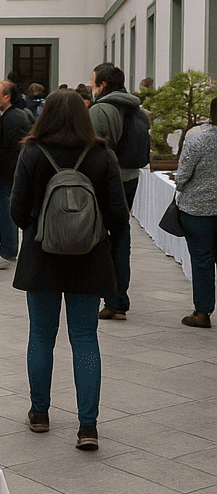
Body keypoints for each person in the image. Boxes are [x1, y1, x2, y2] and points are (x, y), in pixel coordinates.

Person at [10, 89, 129, 451]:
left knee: (42, 336)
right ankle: (87, 426)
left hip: (41, 258)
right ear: (83, 115)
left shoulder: (32, 152)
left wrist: (40, 223)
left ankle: (40, 413)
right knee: (85, 339)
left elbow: (17, 211)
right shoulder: (101, 155)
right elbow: (119, 215)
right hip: (89, 258)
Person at [89, 62, 148, 320]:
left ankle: (110, 297)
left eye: (93, 83)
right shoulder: (138, 109)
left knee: (101, 236)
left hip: (108, 181)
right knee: (122, 236)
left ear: (102, 85)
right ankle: (119, 299)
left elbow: (93, 151)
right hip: (132, 177)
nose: (91, 87)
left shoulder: (101, 109)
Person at [173, 95, 217, 329]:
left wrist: (181, 184)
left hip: (198, 208)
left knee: (202, 259)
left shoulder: (198, 140)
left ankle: (203, 311)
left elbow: (182, 176)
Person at [0, 80, 32, 270]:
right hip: (10, 174)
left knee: (7, 213)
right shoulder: (12, 115)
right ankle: (7, 249)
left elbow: (11, 151)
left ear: (7, 97)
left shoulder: (13, 118)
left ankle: (8, 252)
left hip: (9, 175)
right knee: (6, 212)